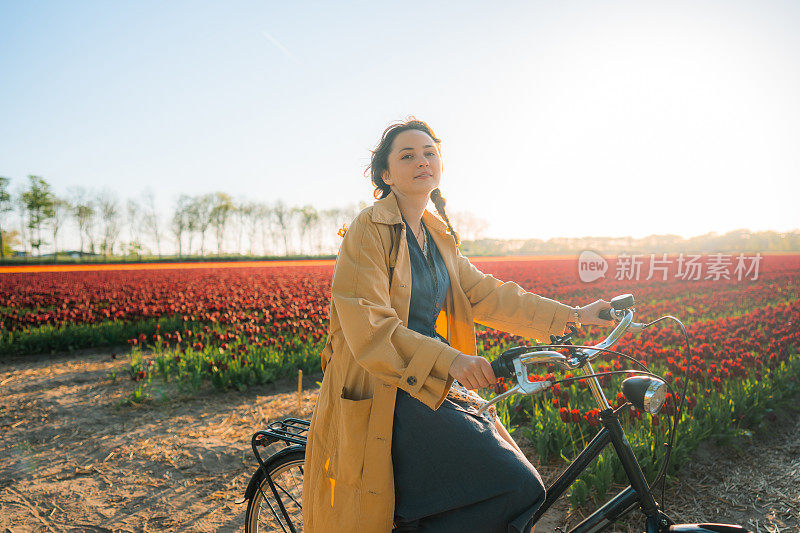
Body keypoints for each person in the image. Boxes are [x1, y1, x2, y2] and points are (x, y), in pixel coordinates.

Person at [301, 117, 614, 533]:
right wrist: (451, 360)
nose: (422, 161)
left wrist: (572, 315)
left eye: (430, 153)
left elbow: (487, 293)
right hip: (385, 385)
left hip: (429, 377)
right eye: (407, 155)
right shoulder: (368, 229)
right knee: (512, 484)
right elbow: (370, 324)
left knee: (514, 483)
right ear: (386, 174)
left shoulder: (438, 236)